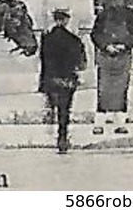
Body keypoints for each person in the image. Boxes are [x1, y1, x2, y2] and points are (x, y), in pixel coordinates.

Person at [91, 0, 133, 134]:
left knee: (121, 89)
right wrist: (105, 46)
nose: (118, 0)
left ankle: (120, 123)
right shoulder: (103, 15)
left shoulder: (130, 15)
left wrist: (124, 45)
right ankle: (99, 123)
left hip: (123, 56)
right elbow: (95, 34)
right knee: (103, 89)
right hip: (106, 56)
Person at [38, 8, 87, 154]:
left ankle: (51, 122)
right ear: (66, 20)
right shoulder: (73, 40)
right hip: (67, 78)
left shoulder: (47, 38)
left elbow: (43, 60)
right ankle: (62, 137)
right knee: (65, 110)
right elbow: (81, 63)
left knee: (53, 103)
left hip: (51, 78)